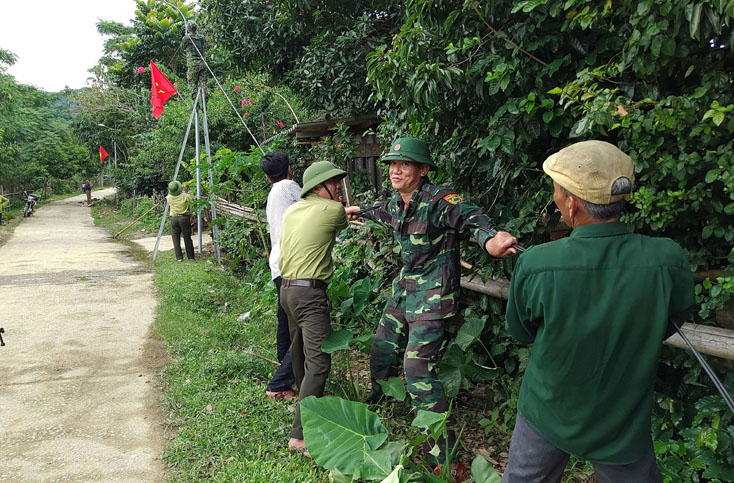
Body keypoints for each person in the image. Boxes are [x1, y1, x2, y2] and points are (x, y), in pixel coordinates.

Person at [503, 141, 695, 482]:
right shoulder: (667, 258)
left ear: (572, 204)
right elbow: (673, 318)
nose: (556, 199)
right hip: (623, 417)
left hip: (548, 409)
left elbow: (521, 330)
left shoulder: (536, 263)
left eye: (557, 192)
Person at [345, 137, 518, 469]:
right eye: (393, 164)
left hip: (433, 296)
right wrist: (357, 211)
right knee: (382, 349)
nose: (396, 170)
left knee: (416, 370)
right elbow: (380, 211)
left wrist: (490, 238)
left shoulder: (440, 201)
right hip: (405, 289)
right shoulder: (398, 203)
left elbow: (471, 218)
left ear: (423, 170)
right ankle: (379, 407)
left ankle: (445, 455)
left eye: (405, 164)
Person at [279, 161, 349, 456]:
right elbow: (341, 220)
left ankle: (308, 406)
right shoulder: (332, 210)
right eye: (332, 182)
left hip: (286, 291)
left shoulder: (293, 210)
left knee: (300, 355)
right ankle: (300, 434)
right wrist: (345, 210)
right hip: (310, 296)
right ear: (318, 187)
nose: (337, 187)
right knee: (319, 363)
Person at [260, 152, 302, 401]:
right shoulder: (289, 187)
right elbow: (312, 208)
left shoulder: (273, 193)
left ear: (267, 177)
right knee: (302, 328)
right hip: (293, 266)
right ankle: (279, 383)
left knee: (284, 322)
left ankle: (285, 372)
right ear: (289, 169)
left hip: (278, 265)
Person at [166, 180, 195, 261]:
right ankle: (190, 257)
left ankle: (179, 258)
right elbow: (191, 207)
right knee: (187, 237)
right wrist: (191, 216)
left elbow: (169, 194)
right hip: (184, 218)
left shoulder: (169, 198)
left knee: (175, 238)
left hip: (174, 218)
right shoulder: (186, 196)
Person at [182, 20, 208, 98]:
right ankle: (204, 105)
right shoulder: (201, 37)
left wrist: (186, 35)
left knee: (192, 84)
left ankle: (195, 106)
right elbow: (205, 47)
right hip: (202, 63)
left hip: (193, 64)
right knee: (204, 85)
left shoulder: (186, 38)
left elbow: (183, 47)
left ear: (189, 28)